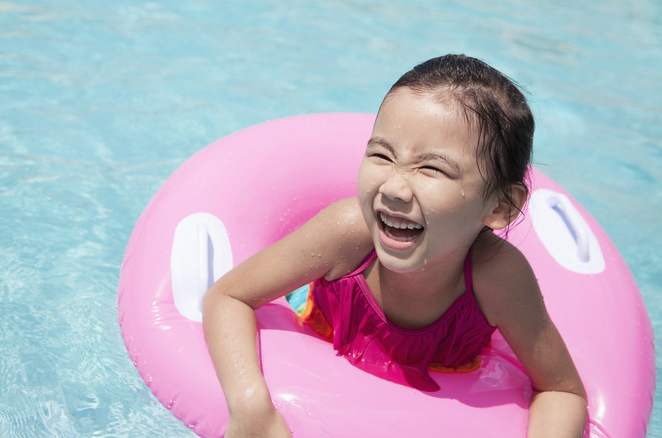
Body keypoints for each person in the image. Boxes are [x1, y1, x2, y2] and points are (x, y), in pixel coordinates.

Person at [202, 54, 587, 438]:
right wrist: (251, 406)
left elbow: (561, 389)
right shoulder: (347, 235)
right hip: (316, 359)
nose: (394, 188)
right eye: (381, 155)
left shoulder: (498, 277)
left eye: (432, 168)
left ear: (500, 207)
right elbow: (228, 297)